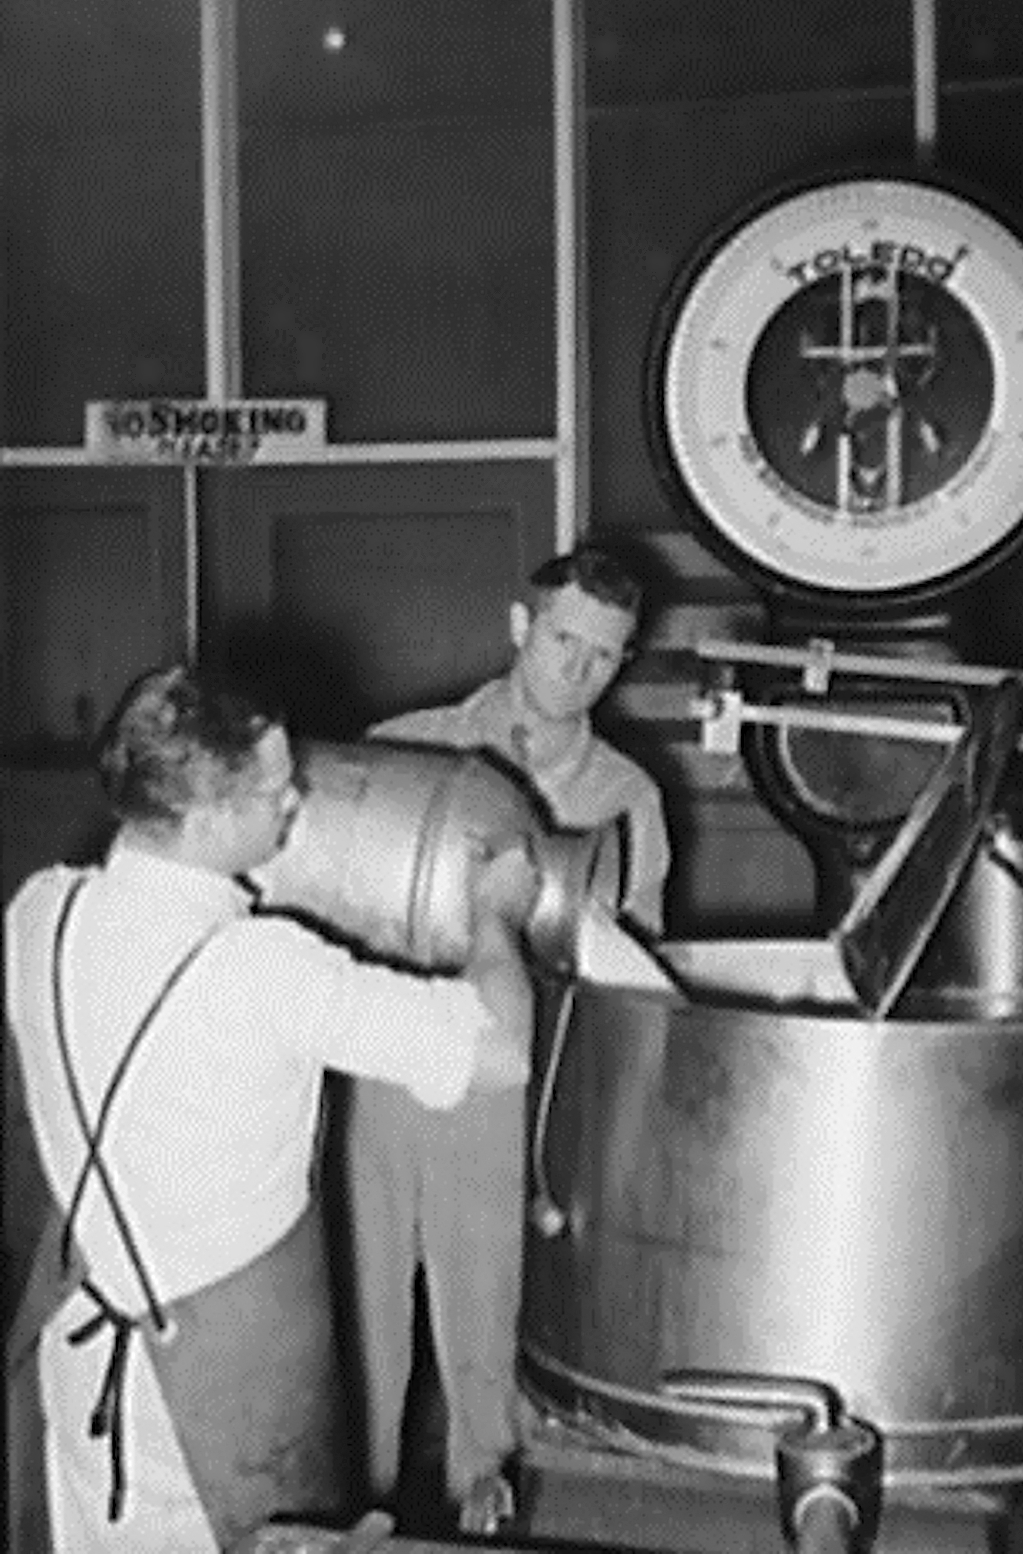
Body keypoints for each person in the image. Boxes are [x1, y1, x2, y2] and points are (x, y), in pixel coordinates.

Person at [4, 661, 538, 1554]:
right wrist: (497, 917)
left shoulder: (38, 913)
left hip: (81, 1360)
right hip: (221, 1405)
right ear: (211, 817)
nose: (296, 805)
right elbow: (502, 1049)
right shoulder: (269, 971)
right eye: (276, 792)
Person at [348, 542, 670, 1534]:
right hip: (378, 1071)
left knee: (490, 1327)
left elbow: (629, 975)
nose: (579, 670)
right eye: (565, 640)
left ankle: (483, 1510)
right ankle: (349, 1509)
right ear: (522, 625)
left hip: (512, 1096)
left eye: (606, 655)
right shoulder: (404, 747)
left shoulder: (626, 799)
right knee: (359, 1314)